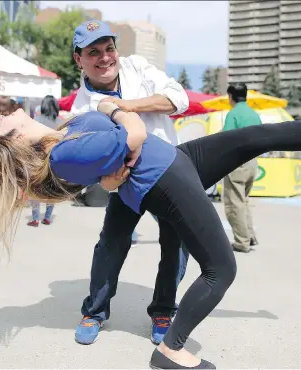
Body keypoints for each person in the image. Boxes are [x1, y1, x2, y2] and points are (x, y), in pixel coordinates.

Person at [0, 73, 301, 369]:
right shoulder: (61, 153)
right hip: (164, 177)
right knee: (221, 269)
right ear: (13, 139)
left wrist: (113, 159)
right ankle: (171, 350)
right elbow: (130, 135)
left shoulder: (60, 137)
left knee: (257, 136)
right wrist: (116, 107)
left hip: (175, 160)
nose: (0, 117)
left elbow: (111, 170)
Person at [69, 20, 190, 345]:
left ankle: (164, 309)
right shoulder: (81, 109)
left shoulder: (138, 66)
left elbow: (178, 99)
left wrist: (126, 106)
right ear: (79, 60)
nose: (105, 57)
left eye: (109, 48)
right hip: (126, 184)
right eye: (93, 52)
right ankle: (94, 311)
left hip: (168, 174)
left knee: (175, 245)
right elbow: (93, 171)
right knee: (111, 244)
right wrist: (108, 180)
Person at [223, 83, 262, 252]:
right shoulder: (254, 115)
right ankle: (250, 236)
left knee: (234, 203)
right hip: (253, 162)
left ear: (231, 96)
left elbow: (225, 139)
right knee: (244, 201)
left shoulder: (233, 114)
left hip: (237, 163)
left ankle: (241, 242)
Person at [27, 96, 63, 227]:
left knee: (35, 189)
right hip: (55, 160)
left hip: (37, 159)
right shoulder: (60, 123)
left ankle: (35, 218)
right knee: (51, 189)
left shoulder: (36, 121)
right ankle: (47, 217)